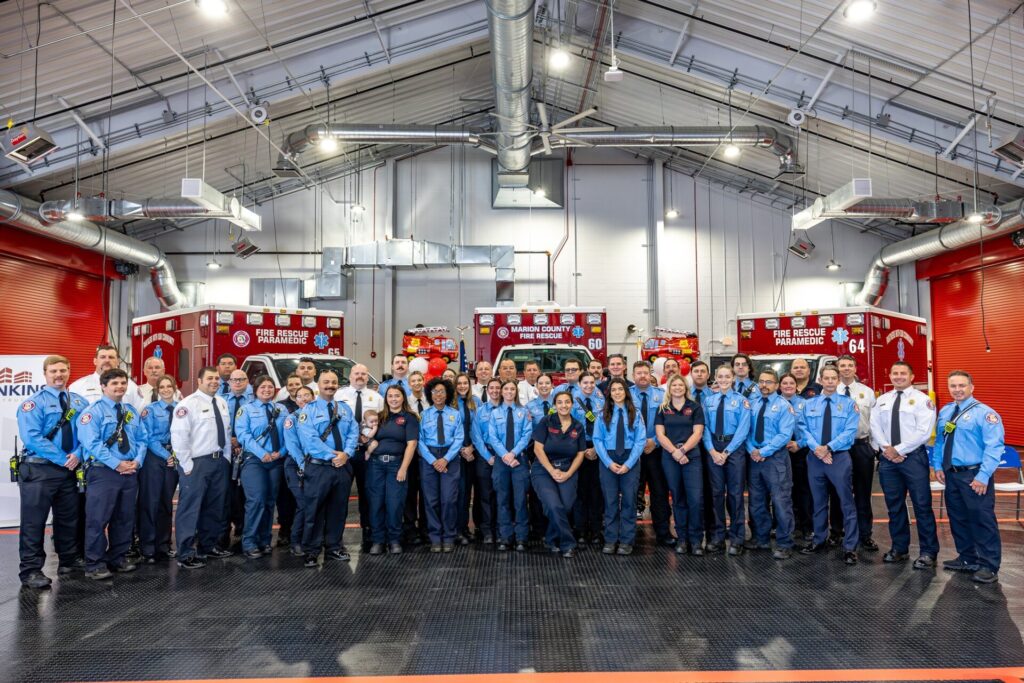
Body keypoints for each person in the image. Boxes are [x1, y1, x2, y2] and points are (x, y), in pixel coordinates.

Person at [15, 355, 90, 588]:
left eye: (63, 370)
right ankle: (30, 570)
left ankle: (68, 561)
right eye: (54, 371)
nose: (59, 375)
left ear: (69, 372)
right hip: (39, 469)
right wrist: (63, 459)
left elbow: (88, 432)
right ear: (45, 374)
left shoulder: (79, 402)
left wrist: (77, 454)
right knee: (34, 522)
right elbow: (32, 438)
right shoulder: (33, 403)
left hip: (69, 469)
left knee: (69, 519)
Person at [932, 370, 1004, 584]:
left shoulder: (986, 414)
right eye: (953, 386)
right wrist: (938, 466)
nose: (957, 390)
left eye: (962, 385)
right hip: (952, 475)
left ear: (972, 387)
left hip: (974, 475)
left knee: (982, 520)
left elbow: (994, 447)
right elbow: (939, 443)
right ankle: (967, 558)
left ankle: (989, 565)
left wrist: (983, 476)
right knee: (958, 518)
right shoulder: (945, 412)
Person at [77, 369, 147, 580]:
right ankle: (95, 564)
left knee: (124, 518)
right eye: (114, 383)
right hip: (103, 472)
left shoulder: (131, 412)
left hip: (130, 472)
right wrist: (117, 464)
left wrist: (137, 461)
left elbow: (143, 438)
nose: (120, 387)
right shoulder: (93, 412)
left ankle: (117, 557)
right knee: (98, 520)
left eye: (123, 383)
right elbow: (91, 443)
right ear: (103, 386)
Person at [869, 361, 938, 569]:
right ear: (890, 376)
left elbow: (924, 432)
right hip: (888, 460)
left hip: (913, 459)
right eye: (895, 373)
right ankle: (899, 548)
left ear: (912, 376)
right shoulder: (882, 400)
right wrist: (886, 449)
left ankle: (928, 552)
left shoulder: (922, 400)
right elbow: (875, 426)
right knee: (894, 506)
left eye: (903, 373)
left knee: (922, 506)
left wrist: (898, 450)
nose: (898, 377)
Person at [171, 366, 234, 569]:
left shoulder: (222, 403)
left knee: (214, 507)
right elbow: (179, 437)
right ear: (199, 381)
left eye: (216, 378)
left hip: (219, 462)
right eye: (210, 378)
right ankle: (186, 553)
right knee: (190, 509)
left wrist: (226, 458)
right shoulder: (187, 404)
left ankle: (209, 546)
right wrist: (187, 465)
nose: (214, 381)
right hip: (197, 463)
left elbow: (225, 432)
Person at [296, 370, 359, 567]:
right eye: (326, 382)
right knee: (314, 510)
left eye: (333, 382)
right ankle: (312, 551)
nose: (330, 385)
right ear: (318, 385)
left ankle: (334, 548)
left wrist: (346, 454)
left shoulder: (345, 410)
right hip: (319, 467)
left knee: (338, 510)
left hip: (342, 467)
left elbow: (353, 433)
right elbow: (310, 441)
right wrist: (334, 456)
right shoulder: (309, 410)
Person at [799, 365, 860, 565]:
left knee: (846, 503)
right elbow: (802, 428)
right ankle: (819, 540)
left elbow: (850, 432)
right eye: (827, 378)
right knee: (818, 502)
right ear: (821, 380)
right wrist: (818, 448)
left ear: (838, 380)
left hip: (839, 458)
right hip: (815, 458)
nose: (831, 381)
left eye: (834, 378)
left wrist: (829, 448)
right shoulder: (809, 404)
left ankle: (850, 547)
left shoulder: (849, 404)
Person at [745, 369, 797, 560]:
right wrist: (752, 450)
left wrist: (763, 451)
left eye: (769, 382)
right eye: (761, 381)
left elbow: (785, 435)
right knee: (757, 501)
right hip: (754, 457)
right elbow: (746, 430)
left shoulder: (784, 406)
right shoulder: (753, 404)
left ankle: (785, 543)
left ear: (776, 385)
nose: (764, 385)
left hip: (775, 458)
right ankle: (761, 538)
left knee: (780, 502)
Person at [235, 375, 289, 559]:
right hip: (254, 461)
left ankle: (265, 540)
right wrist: (261, 453)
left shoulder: (281, 409)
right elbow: (243, 435)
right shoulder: (246, 409)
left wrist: (280, 453)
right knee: (256, 500)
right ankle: (249, 542)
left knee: (269, 501)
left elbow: (289, 435)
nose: (267, 390)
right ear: (255, 389)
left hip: (276, 461)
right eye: (263, 387)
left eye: (270, 387)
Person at [702, 365, 751, 555]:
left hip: (734, 449)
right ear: (715, 378)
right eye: (720, 376)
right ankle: (717, 537)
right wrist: (712, 450)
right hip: (714, 447)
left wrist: (727, 451)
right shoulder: (709, 401)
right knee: (715, 494)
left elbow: (743, 429)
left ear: (732, 379)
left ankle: (737, 538)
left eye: (727, 376)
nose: (723, 379)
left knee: (735, 495)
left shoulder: (741, 401)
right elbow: (704, 427)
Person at [593, 378, 645, 555]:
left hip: (630, 457)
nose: (617, 392)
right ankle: (610, 539)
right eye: (613, 390)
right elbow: (597, 440)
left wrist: (629, 464)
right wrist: (608, 462)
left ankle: (626, 540)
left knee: (630, 501)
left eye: (620, 389)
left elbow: (640, 440)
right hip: (609, 457)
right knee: (610, 501)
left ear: (626, 392)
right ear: (609, 393)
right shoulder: (602, 414)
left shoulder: (635, 413)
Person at [532, 391, 586, 557]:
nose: (564, 405)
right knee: (554, 505)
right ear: (555, 405)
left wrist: (568, 473)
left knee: (566, 506)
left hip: (568, 469)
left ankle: (550, 538)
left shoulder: (578, 426)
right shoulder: (546, 421)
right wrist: (551, 470)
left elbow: (580, 454)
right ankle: (568, 543)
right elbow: (538, 449)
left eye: (567, 402)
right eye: (560, 402)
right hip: (543, 470)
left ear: (572, 404)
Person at [655, 374, 705, 555]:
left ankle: (696, 540)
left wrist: (682, 451)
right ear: (669, 388)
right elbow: (660, 435)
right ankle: (682, 539)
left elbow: (697, 433)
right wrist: (674, 452)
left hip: (692, 458)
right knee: (678, 499)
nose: (677, 387)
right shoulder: (662, 408)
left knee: (695, 499)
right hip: (670, 458)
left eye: (680, 385)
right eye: (674, 385)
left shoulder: (695, 407)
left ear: (686, 387)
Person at [338, 364, 385, 552]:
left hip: (368, 453)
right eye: (356, 373)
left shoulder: (378, 398)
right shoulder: (339, 396)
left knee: (368, 494)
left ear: (368, 377)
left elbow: (382, 423)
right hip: (346, 453)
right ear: (350, 376)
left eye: (363, 374)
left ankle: (369, 532)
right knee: (341, 495)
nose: (360, 376)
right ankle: (336, 535)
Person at [367, 386, 419, 554]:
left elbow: (412, 444)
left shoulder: (409, 418)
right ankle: (378, 540)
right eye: (390, 396)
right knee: (376, 503)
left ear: (403, 398)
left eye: (397, 396)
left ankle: (394, 540)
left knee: (395, 503)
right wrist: (368, 444)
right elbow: (364, 435)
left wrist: (404, 468)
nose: (394, 399)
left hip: (397, 465)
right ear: (386, 398)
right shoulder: (380, 417)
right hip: (376, 465)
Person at [835, 354, 879, 552]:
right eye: (842, 365)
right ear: (837, 368)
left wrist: (874, 448)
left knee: (862, 492)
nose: (845, 368)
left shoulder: (867, 392)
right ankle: (837, 532)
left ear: (855, 368)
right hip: (837, 448)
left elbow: (875, 422)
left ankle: (865, 534)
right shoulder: (830, 390)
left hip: (861, 446)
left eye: (849, 365)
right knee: (836, 492)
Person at [417, 378, 465, 552]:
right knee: (431, 500)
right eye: (435, 391)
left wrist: (445, 459)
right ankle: (435, 537)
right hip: (429, 458)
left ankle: (449, 536)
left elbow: (459, 438)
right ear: (430, 394)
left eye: (442, 391)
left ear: (448, 394)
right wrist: (433, 460)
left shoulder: (455, 414)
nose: (438, 395)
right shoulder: (423, 415)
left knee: (449, 499)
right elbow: (419, 441)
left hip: (449, 458)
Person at [630, 361, 673, 546]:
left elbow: (668, 422)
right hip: (633, 451)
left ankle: (663, 533)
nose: (642, 376)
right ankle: (628, 535)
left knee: (659, 493)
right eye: (638, 373)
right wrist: (640, 443)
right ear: (633, 375)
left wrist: (654, 441)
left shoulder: (662, 396)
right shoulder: (625, 395)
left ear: (651, 374)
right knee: (631, 494)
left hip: (656, 451)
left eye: (645, 373)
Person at [138, 374, 180, 563]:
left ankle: (163, 545)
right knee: (150, 502)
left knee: (166, 502)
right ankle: (148, 547)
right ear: (157, 390)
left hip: (174, 457)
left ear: (174, 387)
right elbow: (148, 438)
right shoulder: (150, 410)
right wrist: (167, 456)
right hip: (155, 458)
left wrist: (176, 456)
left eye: (168, 386)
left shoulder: (182, 409)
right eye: (161, 387)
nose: (165, 390)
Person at [488, 380, 533, 551]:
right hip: (501, 461)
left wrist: (513, 453)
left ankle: (521, 537)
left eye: (512, 389)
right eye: (505, 388)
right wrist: (505, 455)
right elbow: (492, 436)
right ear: (501, 391)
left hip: (519, 460)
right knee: (502, 500)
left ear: (516, 391)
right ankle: (505, 537)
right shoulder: (495, 413)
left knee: (520, 500)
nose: (508, 391)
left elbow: (526, 434)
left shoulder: (524, 412)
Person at [280, 386, 315, 556]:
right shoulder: (291, 419)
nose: (303, 399)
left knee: (314, 503)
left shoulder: (318, 416)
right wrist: (303, 465)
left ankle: (311, 539)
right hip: (296, 465)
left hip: (315, 465)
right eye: (299, 396)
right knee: (303, 503)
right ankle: (296, 541)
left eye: (306, 395)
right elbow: (292, 446)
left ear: (313, 397)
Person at [571, 372, 605, 546]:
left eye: (592, 382)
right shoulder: (571, 401)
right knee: (580, 493)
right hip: (579, 450)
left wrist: (596, 449)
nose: (589, 386)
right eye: (585, 382)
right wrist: (582, 449)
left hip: (598, 449)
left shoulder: (602, 401)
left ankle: (597, 531)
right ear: (579, 383)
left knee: (596, 493)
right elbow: (568, 428)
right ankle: (581, 531)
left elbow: (606, 428)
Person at [779, 373, 813, 541]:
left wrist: (799, 443)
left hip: (800, 451)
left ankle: (806, 526)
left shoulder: (805, 404)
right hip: (779, 452)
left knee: (803, 490)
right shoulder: (775, 403)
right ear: (779, 386)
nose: (788, 386)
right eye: (784, 383)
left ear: (796, 386)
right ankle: (785, 526)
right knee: (783, 491)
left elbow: (812, 429)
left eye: (791, 383)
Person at [470, 378, 503, 544]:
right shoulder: (480, 411)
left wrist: (502, 455)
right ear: (487, 390)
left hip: (504, 457)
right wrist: (488, 457)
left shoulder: (508, 410)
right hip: (485, 457)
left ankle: (501, 528)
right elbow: (476, 438)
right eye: (492, 388)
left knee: (502, 495)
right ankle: (487, 531)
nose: (495, 391)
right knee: (485, 495)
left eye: (498, 388)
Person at [223, 369, 253, 549]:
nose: (238, 383)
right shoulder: (221, 401)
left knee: (245, 492)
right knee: (227, 491)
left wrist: (240, 441)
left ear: (247, 381)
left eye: (242, 379)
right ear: (229, 382)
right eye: (234, 380)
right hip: (226, 450)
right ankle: (225, 529)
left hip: (247, 450)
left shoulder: (253, 401)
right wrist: (230, 441)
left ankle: (243, 527)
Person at [69, 345, 145, 411]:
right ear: (95, 361)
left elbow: (138, 411)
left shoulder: (131, 386)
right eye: (102, 357)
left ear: (118, 361)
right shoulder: (78, 386)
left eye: (111, 357)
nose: (107, 360)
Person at [403, 369, 429, 543]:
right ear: (409, 383)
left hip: (427, 454)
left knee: (427, 493)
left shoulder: (431, 402)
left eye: (419, 380)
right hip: (410, 453)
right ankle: (410, 529)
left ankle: (426, 528)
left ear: (423, 381)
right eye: (413, 381)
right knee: (410, 493)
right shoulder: (405, 404)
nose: (417, 383)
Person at [454, 373, 480, 544]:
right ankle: (458, 529)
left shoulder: (475, 402)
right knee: (460, 493)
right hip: (457, 453)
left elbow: (479, 427)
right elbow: (452, 430)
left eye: (465, 383)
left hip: (473, 452)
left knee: (473, 492)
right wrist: (462, 449)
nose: (463, 386)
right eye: (459, 383)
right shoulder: (451, 402)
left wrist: (472, 448)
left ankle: (468, 528)